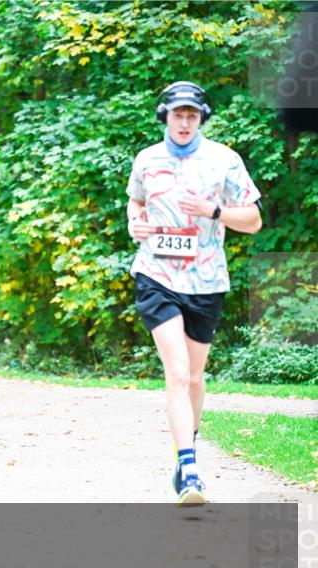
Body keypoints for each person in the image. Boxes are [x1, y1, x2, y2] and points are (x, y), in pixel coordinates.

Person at [126, 81, 262, 506]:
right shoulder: (147, 159)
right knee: (178, 373)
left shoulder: (224, 160)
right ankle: (190, 473)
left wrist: (214, 211)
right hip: (156, 275)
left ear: (201, 117)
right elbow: (135, 204)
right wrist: (135, 224)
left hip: (206, 282)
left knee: (196, 379)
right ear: (164, 116)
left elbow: (254, 220)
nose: (184, 122)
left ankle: (188, 447)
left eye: (191, 115)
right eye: (176, 114)